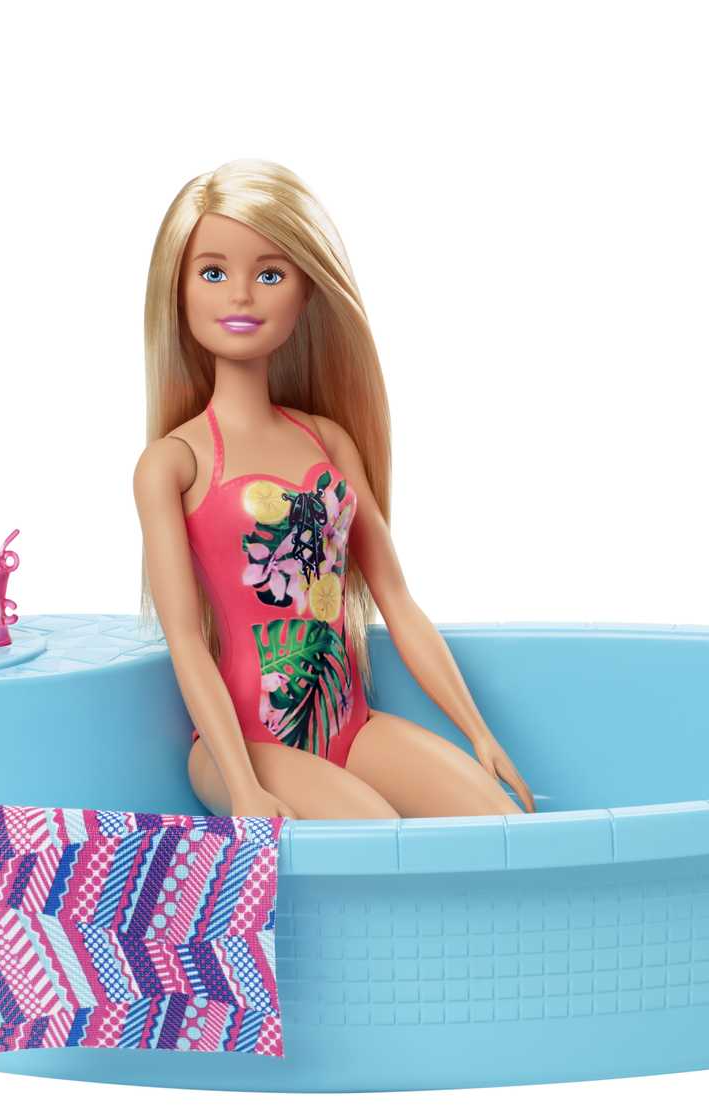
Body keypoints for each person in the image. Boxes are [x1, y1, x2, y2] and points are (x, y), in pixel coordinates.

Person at [133, 158, 533, 820]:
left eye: (270, 274)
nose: (240, 296)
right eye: (213, 273)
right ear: (176, 291)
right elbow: (186, 640)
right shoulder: (173, 464)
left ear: (306, 293)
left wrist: (478, 732)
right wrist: (243, 786)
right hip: (245, 746)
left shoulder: (328, 441)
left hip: (349, 725)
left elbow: (396, 599)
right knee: (381, 839)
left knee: (504, 824)